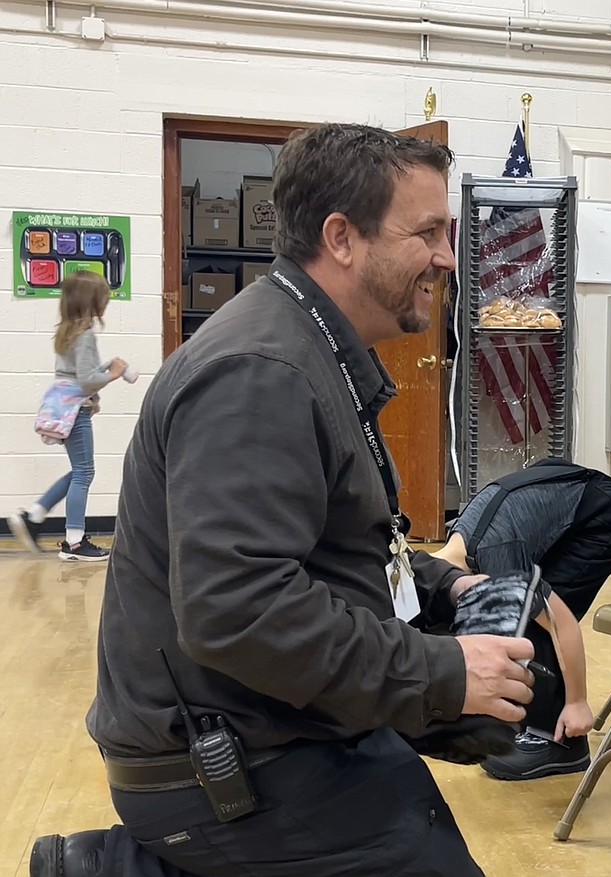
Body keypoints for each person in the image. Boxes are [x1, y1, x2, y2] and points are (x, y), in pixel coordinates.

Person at [30, 124, 538, 877]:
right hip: (216, 763)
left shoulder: (309, 344)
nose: (446, 257)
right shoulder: (261, 371)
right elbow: (238, 607)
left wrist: (444, 582)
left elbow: (324, 542)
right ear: (342, 237)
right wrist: (440, 672)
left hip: (263, 723)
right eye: (427, 232)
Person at [429, 459, 611, 780]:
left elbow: (562, 623)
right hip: (566, 499)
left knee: (531, 620)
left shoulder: (497, 559)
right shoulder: (453, 553)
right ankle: (535, 718)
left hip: (605, 517)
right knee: (515, 613)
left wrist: (578, 701)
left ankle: (563, 742)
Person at [8, 271, 129, 562]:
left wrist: (94, 395)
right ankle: (74, 542)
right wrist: (112, 374)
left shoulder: (66, 331)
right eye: (103, 299)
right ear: (92, 302)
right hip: (76, 412)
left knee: (79, 470)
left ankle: (35, 516)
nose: (106, 304)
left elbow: (74, 375)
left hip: (66, 407)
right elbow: (87, 378)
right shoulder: (85, 335)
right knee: (85, 473)